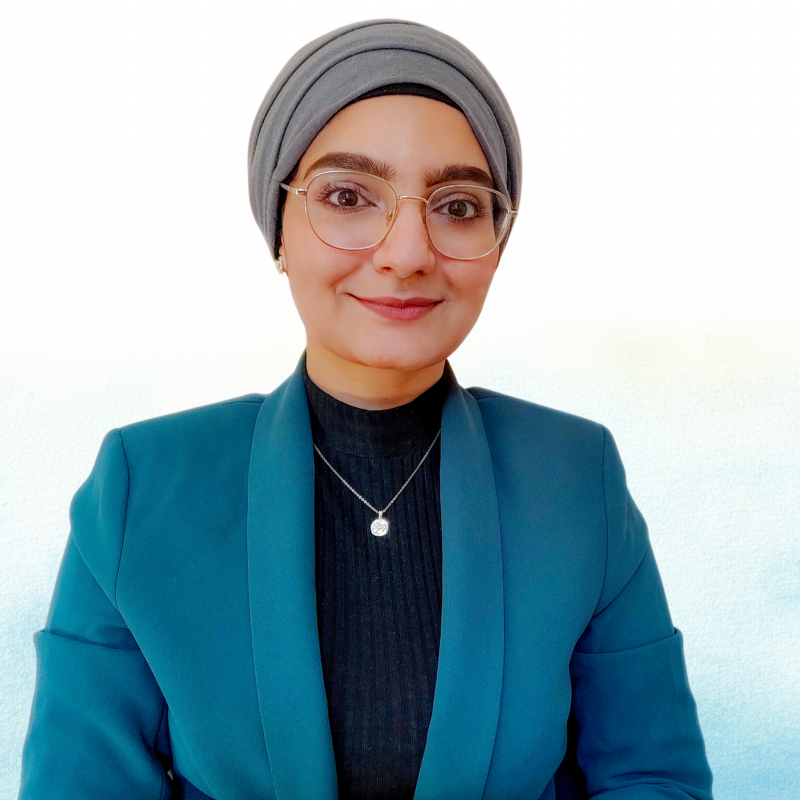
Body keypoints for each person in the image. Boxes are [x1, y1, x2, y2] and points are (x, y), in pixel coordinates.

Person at [18, 19, 713, 800]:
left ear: (497, 239)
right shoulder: (141, 488)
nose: (408, 250)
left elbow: (654, 779)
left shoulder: (575, 477)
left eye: (457, 206)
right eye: (348, 196)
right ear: (278, 230)